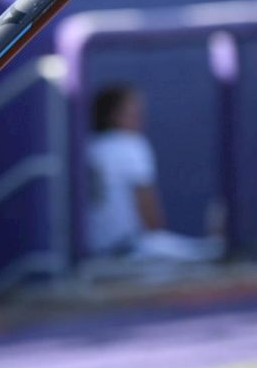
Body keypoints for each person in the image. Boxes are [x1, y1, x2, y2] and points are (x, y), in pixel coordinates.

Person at [85, 84, 223, 262]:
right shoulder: (130, 144)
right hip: (131, 250)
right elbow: (147, 208)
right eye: (133, 113)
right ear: (113, 116)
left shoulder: (89, 147)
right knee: (216, 254)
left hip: (96, 253)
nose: (140, 118)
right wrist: (158, 240)